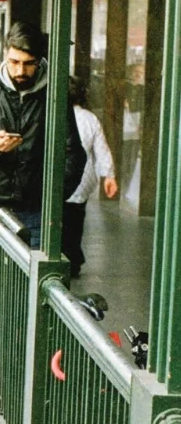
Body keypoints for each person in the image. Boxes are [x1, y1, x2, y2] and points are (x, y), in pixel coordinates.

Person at [0, 22, 87, 404]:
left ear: (40, 62)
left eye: (28, 64)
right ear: (4, 56)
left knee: (37, 292)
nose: (20, 71)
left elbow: (73, 154)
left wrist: (52, 199)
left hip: (34, 209)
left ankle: (28, 369)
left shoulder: (54, 93)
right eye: (14, 61)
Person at [64, 76, 119, 277]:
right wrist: (108, 175)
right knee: (75, 221)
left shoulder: (52, 115)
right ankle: (74, 259)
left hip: (59, 178)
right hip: (83, 179)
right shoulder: (89, 118)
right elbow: (101, 149)